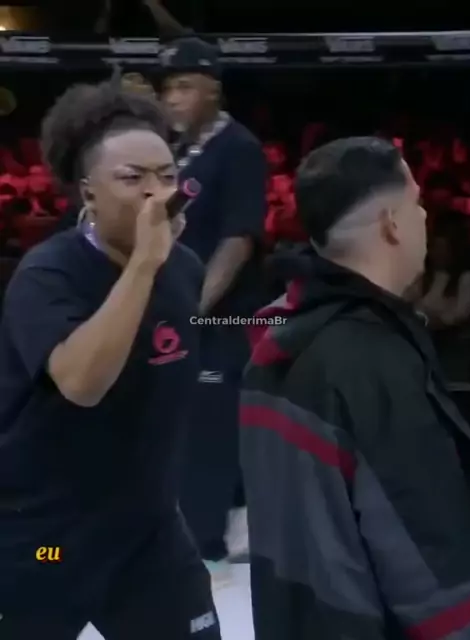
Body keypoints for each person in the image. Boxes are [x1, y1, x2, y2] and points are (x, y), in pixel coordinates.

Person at [0, 79, 221, 639]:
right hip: (45, 540)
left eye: (166, 176)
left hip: (148, 536)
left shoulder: (185, 269)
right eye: (132, 177)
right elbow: (82, 384)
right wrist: (143, 265)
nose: (156, 193)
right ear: (88, 193)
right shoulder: (47, 276)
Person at [240, 137, 470, 639]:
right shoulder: (372, 363)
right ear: (392, 223)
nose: (424, 218)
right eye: (416, 204)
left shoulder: (277, 342)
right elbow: (429, 565)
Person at [157, 36, 267, 576]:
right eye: (168, 89)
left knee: (209, 424)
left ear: (213, 90)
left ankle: (207, 547)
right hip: (174, 313)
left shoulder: (238, 147)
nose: (172, 98)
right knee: (180, 425)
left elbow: (238, 239)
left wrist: (195, 310)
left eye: (184, 87)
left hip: (219, 316)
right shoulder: (179, 151)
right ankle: (198, 535)